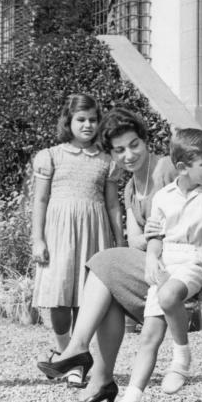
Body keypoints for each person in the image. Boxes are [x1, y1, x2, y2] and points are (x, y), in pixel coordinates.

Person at [36, 108, 175, 402]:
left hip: (179, 272)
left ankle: (77, 348)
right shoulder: (128, 189)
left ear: (146, 140)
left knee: (103, 261)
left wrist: (155, 235)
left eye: (134, 144)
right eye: (119, 150)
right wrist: (152, 235)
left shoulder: (164, 169)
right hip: (154, 270)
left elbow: (180, 223)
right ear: (111, 154)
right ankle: (101, 381)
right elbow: (139, 240)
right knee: (109, 285)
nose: (129, 155)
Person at [97, 128, 202, 402]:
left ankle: (182, 356)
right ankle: (131, 401)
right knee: (149, 335)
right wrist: (151, 258)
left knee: (169, 294)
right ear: (183, 168)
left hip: (197, 261)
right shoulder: (163, 197)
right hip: (167, 264)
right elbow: (155, 236)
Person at [31, 93, 124, 386]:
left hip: (93, 231)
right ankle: (64, 350)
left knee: (87, 298)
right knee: (59, 297)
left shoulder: (107, 161)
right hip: (58, 233)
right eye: (81, 119)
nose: (87, 125)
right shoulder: (51, 156)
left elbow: (112, 204)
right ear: (68, 121)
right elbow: (41, 200)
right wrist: (38, 239)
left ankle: (77, 362)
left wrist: (119, 243)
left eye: (93, 120)